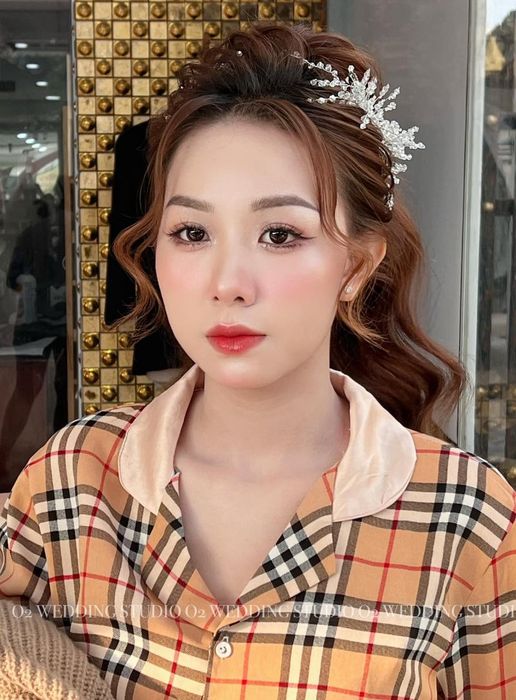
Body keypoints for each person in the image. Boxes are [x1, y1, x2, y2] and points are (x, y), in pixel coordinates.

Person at [1, 21, 515, 700]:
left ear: (357, 266)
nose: (228, 283)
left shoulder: (469, 518)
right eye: (192, 232)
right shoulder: (70, 480)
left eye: (279, 234)